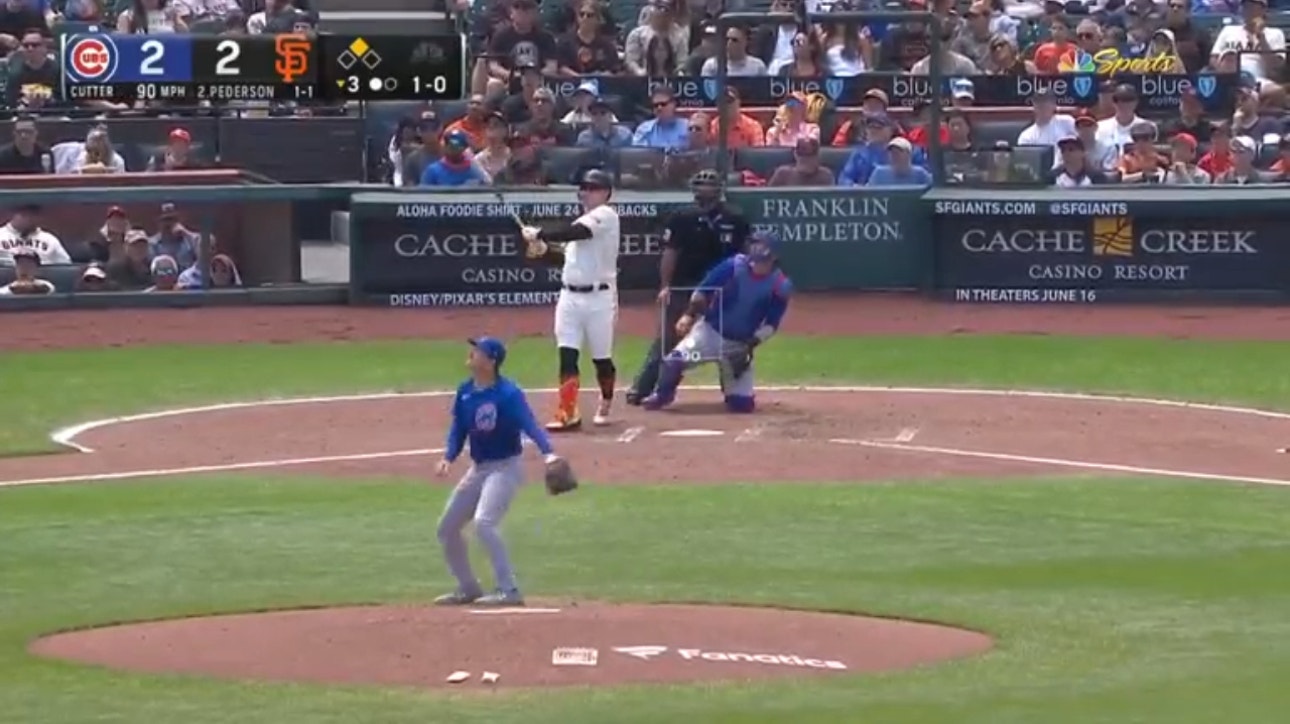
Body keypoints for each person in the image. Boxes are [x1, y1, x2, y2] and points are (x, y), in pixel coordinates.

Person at [433, 337, 567, 607]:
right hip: (479, 468)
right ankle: (468, 588)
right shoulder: (465, 391)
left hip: (505, 468)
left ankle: (509, 589)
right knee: (447, 528)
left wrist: (548, 452)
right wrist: (448, 457)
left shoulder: (508, 394)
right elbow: (458, 429)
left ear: (491, 361)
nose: (471, 353)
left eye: (478, 351)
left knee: (484, 523)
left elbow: (529, 424)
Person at [627, 168, 749, 405]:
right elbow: (670, 253)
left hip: (723, 290)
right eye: (701, 185)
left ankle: (735, 391)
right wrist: (665, 286)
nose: (706, 190)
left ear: (720, 189)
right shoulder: (682, 217)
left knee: (729, 340)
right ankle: (643, 388)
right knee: (668, 339)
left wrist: (741, 289)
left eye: (711, 185)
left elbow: (743, 257)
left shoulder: (735, 219)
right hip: (684, 287)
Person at [641, 231, 792, 414]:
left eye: (760, 245)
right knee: (674, 362)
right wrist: (689, 315)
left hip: (738, 344)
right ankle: (662, 395)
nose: (755, 249)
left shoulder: (780, 284)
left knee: (741, 405)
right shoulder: (733, 266)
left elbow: (771, 324)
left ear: (773, 254)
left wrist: (749, 346)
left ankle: (730, 384)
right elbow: (702, 291)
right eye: (754, 244)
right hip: (709, 333)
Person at [519, 169, 621, 430]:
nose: (586, 193)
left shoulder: (606, 216)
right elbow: (564, 257)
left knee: (601, 358)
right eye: (583, 188)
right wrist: (542, 250)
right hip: (569, 297)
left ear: (606, 193)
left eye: (593, 188)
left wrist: (540, 233)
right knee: (567, 354)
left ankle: (606, 400)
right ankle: (568, 411)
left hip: (600, 298)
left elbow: (576, 232)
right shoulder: (580, 224)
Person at [420, 130, 489, 187]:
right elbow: (423, 195)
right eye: (450, 145)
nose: (453, 149)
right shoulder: (433, 171)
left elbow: (485, 188)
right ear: (445, 146)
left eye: (457, 146)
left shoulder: (474, 170)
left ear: (464, 148)